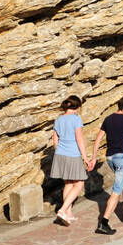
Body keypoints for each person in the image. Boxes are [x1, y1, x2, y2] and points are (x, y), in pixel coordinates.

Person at [92, 95, 123, 235]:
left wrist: (94, 157)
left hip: (110, 157)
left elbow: (98, 139)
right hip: (121, 158)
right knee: (117, 191)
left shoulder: (108, 119)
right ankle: (104, 223)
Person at [50, 95, 94, 225]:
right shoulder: (76, 119)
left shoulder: (58, 119)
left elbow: (55, 139)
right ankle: (63, 210)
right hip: (72, 154)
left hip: (60, 154)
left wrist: (59, 151)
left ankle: (68, 214)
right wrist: (85, 157)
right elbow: (79, 139)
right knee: (79, 183)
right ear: (78, 107)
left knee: (68, 184)